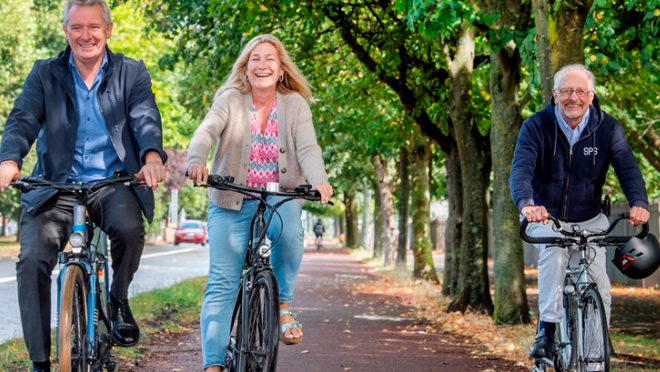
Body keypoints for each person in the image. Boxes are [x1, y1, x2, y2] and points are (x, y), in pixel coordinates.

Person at [0, 0, 167, 370]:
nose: (85, 35)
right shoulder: (45, 73)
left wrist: (152, 157)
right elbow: (22, 119)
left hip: (111, 183)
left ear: (108, 30)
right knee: (31, 260)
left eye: (94, 27)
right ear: (66, 32)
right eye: (77, 27)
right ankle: (41, 361)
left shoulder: (131, 72)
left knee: (129, 230)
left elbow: (144, 118)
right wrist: (9, 160)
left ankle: (118, 299)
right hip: (55, 186)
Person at [186, 34, 333, 372]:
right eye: (255, 59)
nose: (262, 65)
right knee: (223, 282)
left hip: (280, 198)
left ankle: (282, 306)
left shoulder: (295, 105)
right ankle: (212, 365)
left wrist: (319, 180)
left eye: (270, 59)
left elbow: (309, 149)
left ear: (281, 70)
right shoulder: (230, 99)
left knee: (293, 235)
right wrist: (197, 159)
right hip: (230, 199)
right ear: (246, 68)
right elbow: (206, 131)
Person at [509, 64, 649, 359]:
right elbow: (520, 170)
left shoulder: (608, 128)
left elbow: (628, 168)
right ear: (555, 94)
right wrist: (527, 204)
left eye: (580, 91)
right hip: (546, 216)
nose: (574, 97)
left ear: (591, 95)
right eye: (567, 91)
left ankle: (596, 356)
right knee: (555, 253)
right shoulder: (535, 126)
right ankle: (546, 329)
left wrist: (639, 202)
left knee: (601, 285)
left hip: (590, 218)